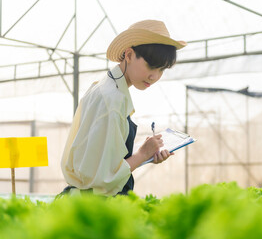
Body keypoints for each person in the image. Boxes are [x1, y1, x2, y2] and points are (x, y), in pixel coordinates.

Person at [59, 20, 187, 197]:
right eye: (151, 66)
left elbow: (101, 160)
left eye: (161, 69)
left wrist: (147, 152)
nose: (154, 76)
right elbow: (103, 180)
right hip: (95, 207)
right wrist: (142, 154)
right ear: (129, 54)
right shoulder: (112, 99)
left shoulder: (104, 88)